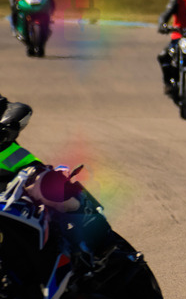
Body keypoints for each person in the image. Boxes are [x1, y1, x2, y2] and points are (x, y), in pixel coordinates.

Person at [0, 94, 110, 269]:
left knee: (44, 184)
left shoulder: (8, 151)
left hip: (18, 189)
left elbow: (15, 111)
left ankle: (89, 223)